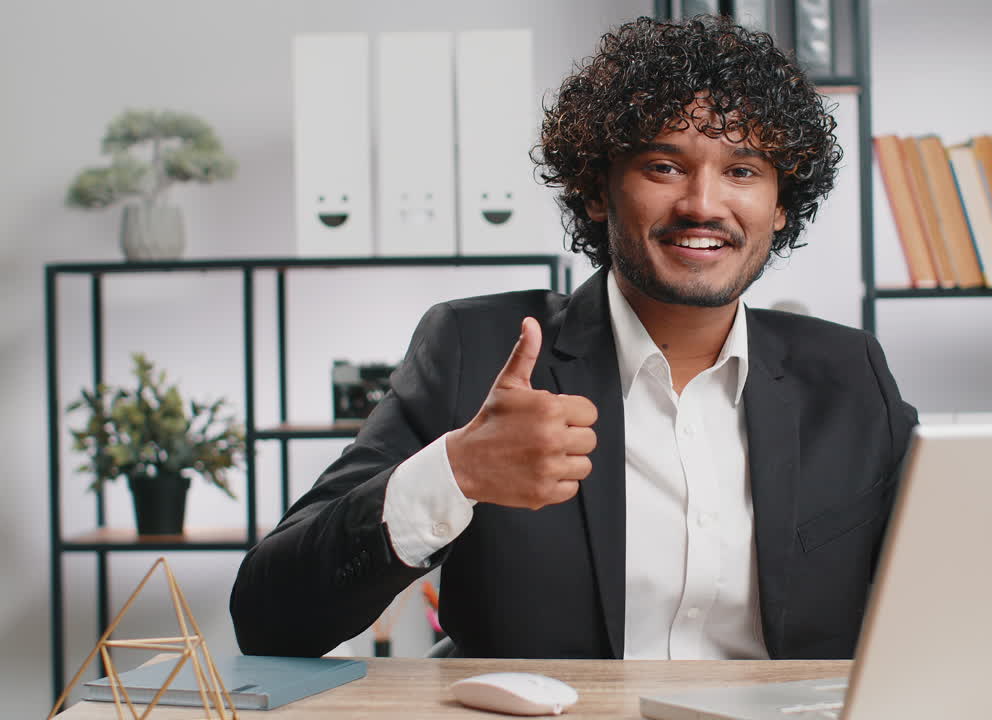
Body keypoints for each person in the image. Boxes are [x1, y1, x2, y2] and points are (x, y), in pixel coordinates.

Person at [231, 14, 917, 661]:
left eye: (742, 171)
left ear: (779, 205)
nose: (703, 204)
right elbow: (268, 617)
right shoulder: (476, 348)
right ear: (597, 191)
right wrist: (457, 470)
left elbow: (950, 587)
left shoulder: (848, 371)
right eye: (664, 166)